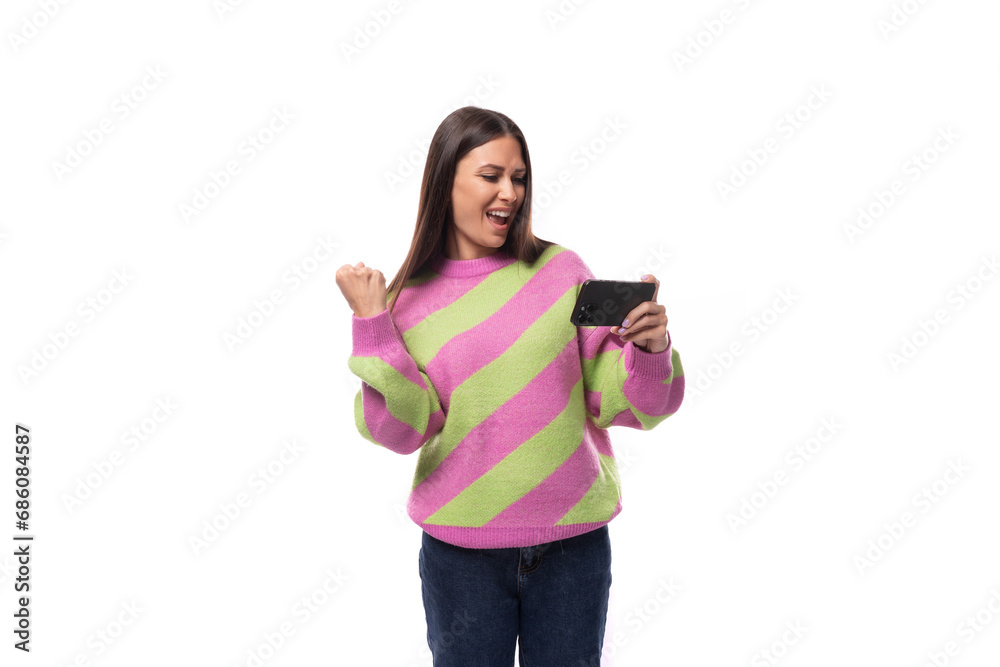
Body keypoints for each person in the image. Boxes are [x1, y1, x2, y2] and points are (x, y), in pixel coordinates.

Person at [335, 106, 684, 666]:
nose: (510, 193)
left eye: (519, 178)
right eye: (491, 176)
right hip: (461, 557)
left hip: (573, 548)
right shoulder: (408, 299)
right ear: (444, 181)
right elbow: (402, 431)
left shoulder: (564, 272)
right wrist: (373, 328)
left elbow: (633, 405)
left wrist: (650, 350)